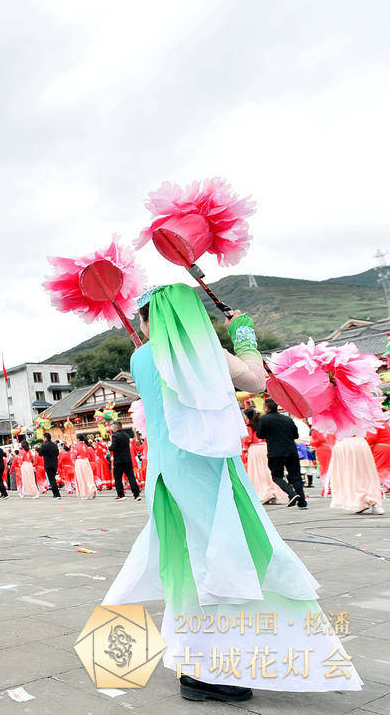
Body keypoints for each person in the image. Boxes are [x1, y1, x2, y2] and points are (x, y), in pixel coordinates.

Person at [103, 284, 359, 701]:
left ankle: (195, 663)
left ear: (151, 320)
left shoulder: (140, 356)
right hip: (207, 471)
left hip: (166, 474)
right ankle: (210, 669)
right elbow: (257, 380)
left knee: (186, 562)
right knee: (224, 562)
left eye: (143, 319)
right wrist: (243, 335)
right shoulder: (206, 351)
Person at [255, 400, 306, 508]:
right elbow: (295, 435)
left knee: (277, 476)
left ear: (266, 408)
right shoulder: (287, 419)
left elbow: (260, 435)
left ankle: (291, 493)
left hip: (275, 452)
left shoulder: (263, 419)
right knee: (295, 477)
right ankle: (302, 502)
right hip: (291, 451)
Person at [328, 436, 385, 515]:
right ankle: (364, 501)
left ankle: (367, 500)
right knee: (366, 474)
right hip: (361, 443)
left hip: (344, 444)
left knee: (349, 475)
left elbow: (330, 437)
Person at [241, 410, 287, 505]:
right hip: (266, 448)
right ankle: (272, 491)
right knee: (268, 471)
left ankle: (262, 492)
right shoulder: (262, 424)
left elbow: (247, 440)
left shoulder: (249, 427)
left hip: (255, 450)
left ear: (247, 416)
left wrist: (245, 450)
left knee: (257, 472)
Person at [108, 423, 141, 500]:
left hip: (119, 460)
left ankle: (121, 495)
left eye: (113, 427)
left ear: (116, 428)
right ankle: (136, 494)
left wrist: (109, 447)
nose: (112, 429)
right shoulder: (126, 435)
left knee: (118, 478)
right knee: (131, 477)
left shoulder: (115, 436)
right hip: (127, 459)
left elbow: (113, 447)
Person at [72, 435, 96, 499]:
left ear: (78, 439)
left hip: (79, 462)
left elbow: (73, 457)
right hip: (86, 461)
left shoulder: (76, 446)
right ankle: (91, 489)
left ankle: (83, 494)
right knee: (88, 477)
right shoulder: (86, 446)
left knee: (81, 478)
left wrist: (74, 463)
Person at [38, 433, 61, 498]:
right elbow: (57, 454)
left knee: (51, 480)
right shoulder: (55, 445)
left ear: (45, 438)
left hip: (48, 464)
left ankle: (56, 494)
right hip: (55, 464)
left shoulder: (44, 445)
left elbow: (40, 454)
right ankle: (57, 494)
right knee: (53, 479)